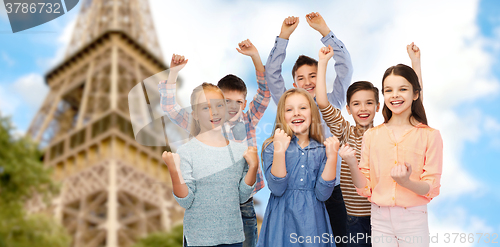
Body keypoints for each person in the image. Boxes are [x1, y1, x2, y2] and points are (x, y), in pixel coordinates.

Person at [158, 39, 270, 247]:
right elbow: (170, 108)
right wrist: (173, 74)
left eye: (238, 102)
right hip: (206, 204)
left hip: (242, 202)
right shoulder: (200, 124)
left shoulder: (249, 119)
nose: (233, 107)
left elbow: (264, 92)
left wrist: (255, 57)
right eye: (225, 101)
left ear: (245, 103)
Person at [316, 44, 423, 246]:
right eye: (356, 104)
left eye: (368, 103)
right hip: (354, 219)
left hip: (383, 216)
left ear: (377, 106)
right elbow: (322, 102)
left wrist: (415, 63)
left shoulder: (387, 132)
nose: (363, 108)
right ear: (348, 109)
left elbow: (414, 106)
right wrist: (323, 63)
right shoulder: (344, 131)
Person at [265, 12, 353, 244]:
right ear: (294, 84)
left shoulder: (332, 102)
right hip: (294, 189)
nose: (308, 82)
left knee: (340, 239)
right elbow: (272, 75)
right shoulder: (289, 105)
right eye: (301, 78)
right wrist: (283, 36)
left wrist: (325, 32)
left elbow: (345, 67)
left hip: (331, 188)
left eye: (313, 75)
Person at [339, 62, 443, 247]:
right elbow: (365, 188)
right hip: (379, 219)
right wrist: (352, 164)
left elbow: (431, 187)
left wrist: (407, 183)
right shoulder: (372, 135)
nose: (395, 95)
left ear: (416, 94)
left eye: (402, 89)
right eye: (388, 90)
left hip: (413, 218)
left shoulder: (430, 135)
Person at [161, 83, 258, 247]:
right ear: (195, 115)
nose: (214, 112)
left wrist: (253, 167)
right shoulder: (186, 151)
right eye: (206, 107)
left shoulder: (240, 151)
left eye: (219, 105)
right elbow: (186, 201)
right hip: (198, 240)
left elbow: (241, 197)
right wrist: (173, 169)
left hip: (233, 239)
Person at [257, 88, 340, 247]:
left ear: (312, 112)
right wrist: (280, 150)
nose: (296, 113)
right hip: (281, 220)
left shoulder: (322, 150)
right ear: (283, 115)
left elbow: (323, 194)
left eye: (302, 108)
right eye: (289, 109)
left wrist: (332, 157)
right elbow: (277, 188)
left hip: (313, 223)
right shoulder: (271, 146)